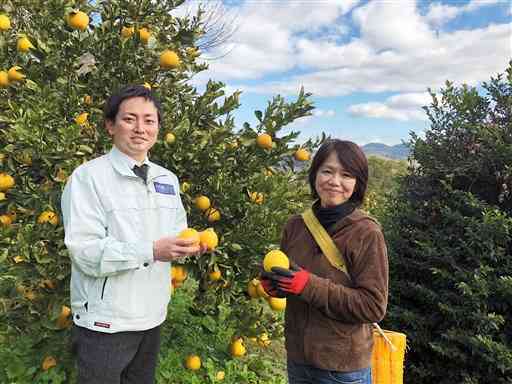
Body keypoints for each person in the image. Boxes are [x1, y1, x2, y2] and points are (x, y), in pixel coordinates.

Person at [61, 85, 204, 383]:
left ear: (158, 128)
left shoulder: (167, 179)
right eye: (130, 119)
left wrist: (189, 245)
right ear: (110, 126)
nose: (141, 128)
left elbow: (177, 230)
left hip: (152, 316)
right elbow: (85, 252)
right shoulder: (88, 178)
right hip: (106, 321)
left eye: (149, 120)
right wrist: (151, 250)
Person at [261, 139, 388, 384]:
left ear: (357, 183)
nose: (335, 181)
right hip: (298, 361)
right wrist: (276, 284)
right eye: (327, 171)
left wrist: (307, 285)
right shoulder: (296, 225)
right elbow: (293, 280)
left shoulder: (366, 233)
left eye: (346, 175)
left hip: (342, 369)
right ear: (315, 174)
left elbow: (373, 306)